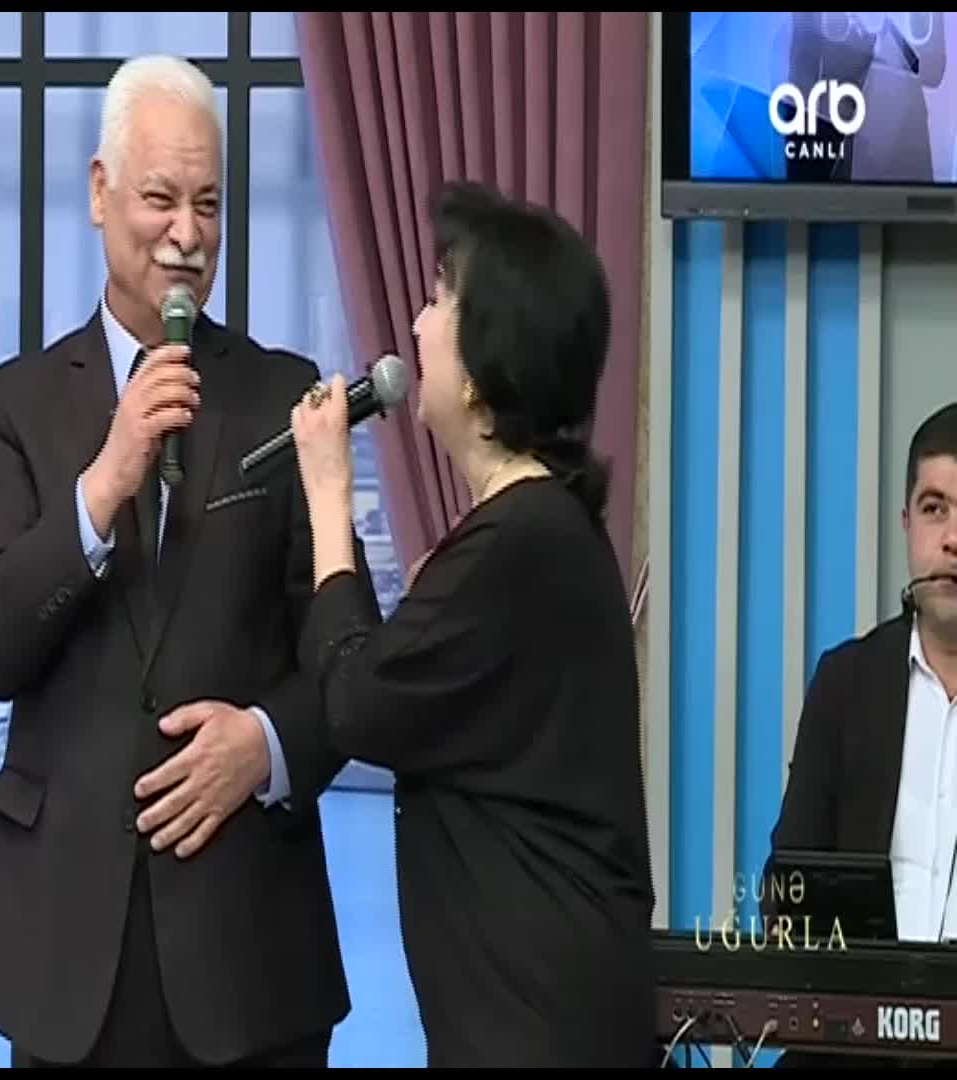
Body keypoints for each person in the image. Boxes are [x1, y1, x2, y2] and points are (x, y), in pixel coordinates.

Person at [0, 54, 375, 1068]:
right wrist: (105, 481)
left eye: (209, 205)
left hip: (249, 954)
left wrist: (265, 744)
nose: (188, 234)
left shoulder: (282, 396)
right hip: (67, 957)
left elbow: (349, 661)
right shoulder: (19, 403)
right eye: (160, 200)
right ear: (101, 193)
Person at [288, 180, 657, 1068]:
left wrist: (329, 497)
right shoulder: (533, 532)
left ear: (488, 362)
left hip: (537, 1026)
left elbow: (356, 703)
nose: (416, 325)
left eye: (439, 298)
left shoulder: (521, 541)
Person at [762, 403, 957, 1069]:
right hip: (852, 1052)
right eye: (934, 509)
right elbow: (786, 888)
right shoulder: (846, 683)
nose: (951, 538)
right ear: (907, 525)